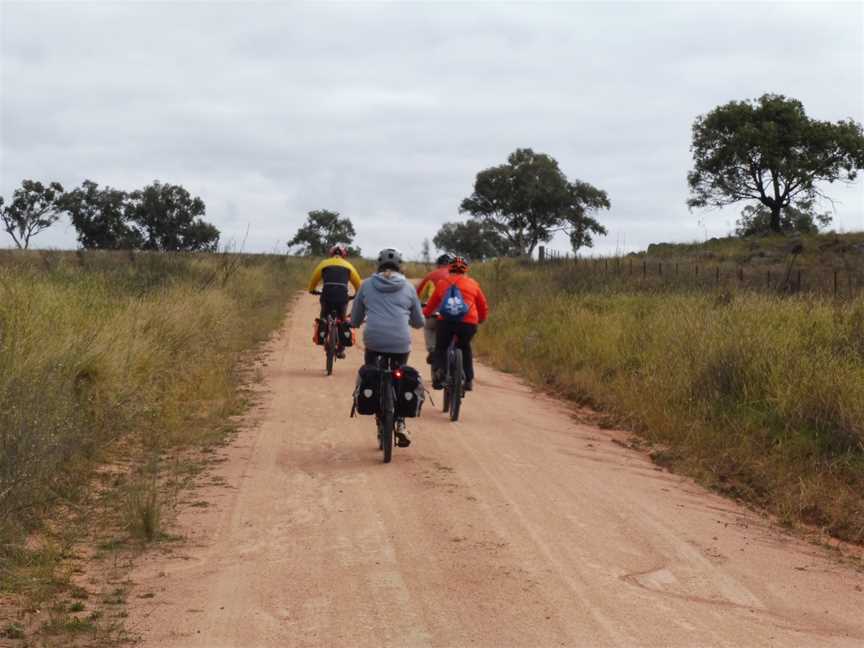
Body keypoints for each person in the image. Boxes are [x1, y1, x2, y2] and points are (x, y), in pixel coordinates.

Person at [350, 248, 424, 447]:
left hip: (374, 340)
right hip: (400, 342)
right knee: (400, 373)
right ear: (400, 266)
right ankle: (399, 422)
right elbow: (418, 321)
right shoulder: (408, 288)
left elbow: (356, 317)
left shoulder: (366, 285)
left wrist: (354, 323)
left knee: (372, 374)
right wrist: (415, 323)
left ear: (378, 265)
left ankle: (378, 416)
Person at [423, 256, 488, 392]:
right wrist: (481, 319)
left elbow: (431, 305)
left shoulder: (442, 283)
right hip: (468, 323)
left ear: (449, 269)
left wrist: (426, 314)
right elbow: (482, 305)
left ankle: (440, 373)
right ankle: (469, 379)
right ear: (466, 270)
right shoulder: (473, 284)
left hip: (446, 322)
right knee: (465, 348)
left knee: (441, 347)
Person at [307, 244, 362, 358]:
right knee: (342, 320)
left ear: (331, 254)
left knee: (323, 316)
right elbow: (358, 284)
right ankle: (341, 349)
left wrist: (312, 289)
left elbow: (314, 279)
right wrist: (357, 294)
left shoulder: (324, 264)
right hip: (342, 297)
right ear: (344, 255)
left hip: (326, 296)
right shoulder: (348, 266)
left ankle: (323, 333)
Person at [416, 254, 452, 365]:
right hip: (454, 311)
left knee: (429, 327)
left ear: (438, 265)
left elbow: (417, 294)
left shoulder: (431, 276)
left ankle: (432, 350)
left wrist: (420, 304)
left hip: (435, 310)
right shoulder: (458, 276)